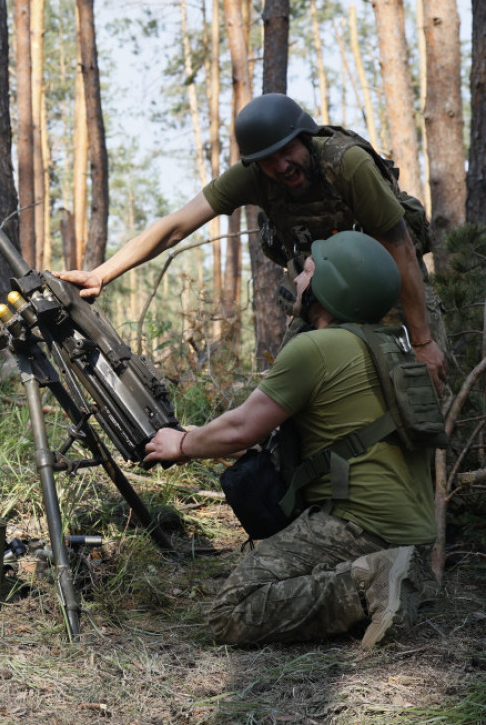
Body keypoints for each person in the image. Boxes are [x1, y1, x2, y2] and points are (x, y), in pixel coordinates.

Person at [144, 231, 437, 649]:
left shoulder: (316, 348)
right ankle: (403, 572)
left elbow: (243, 427)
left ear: (331, 287)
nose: (298, 279)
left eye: (308, 272)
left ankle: (368, 584)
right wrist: (195, 436)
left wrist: (181, 445)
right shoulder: (390, 346)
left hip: (362, 526)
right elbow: (283, 435)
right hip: (415, 531)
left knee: (231, 611)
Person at [55, 93, 448, 393]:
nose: (281, 166)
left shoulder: (347, 163)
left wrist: (423, 340)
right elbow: (176, 226)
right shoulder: (254, 176)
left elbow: (401, 250)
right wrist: (101, 274)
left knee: (413, 392)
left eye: (288, 151)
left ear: (305, 138)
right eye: (268, 159)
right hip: (324, 294)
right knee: (290, 393)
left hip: (389, 283)